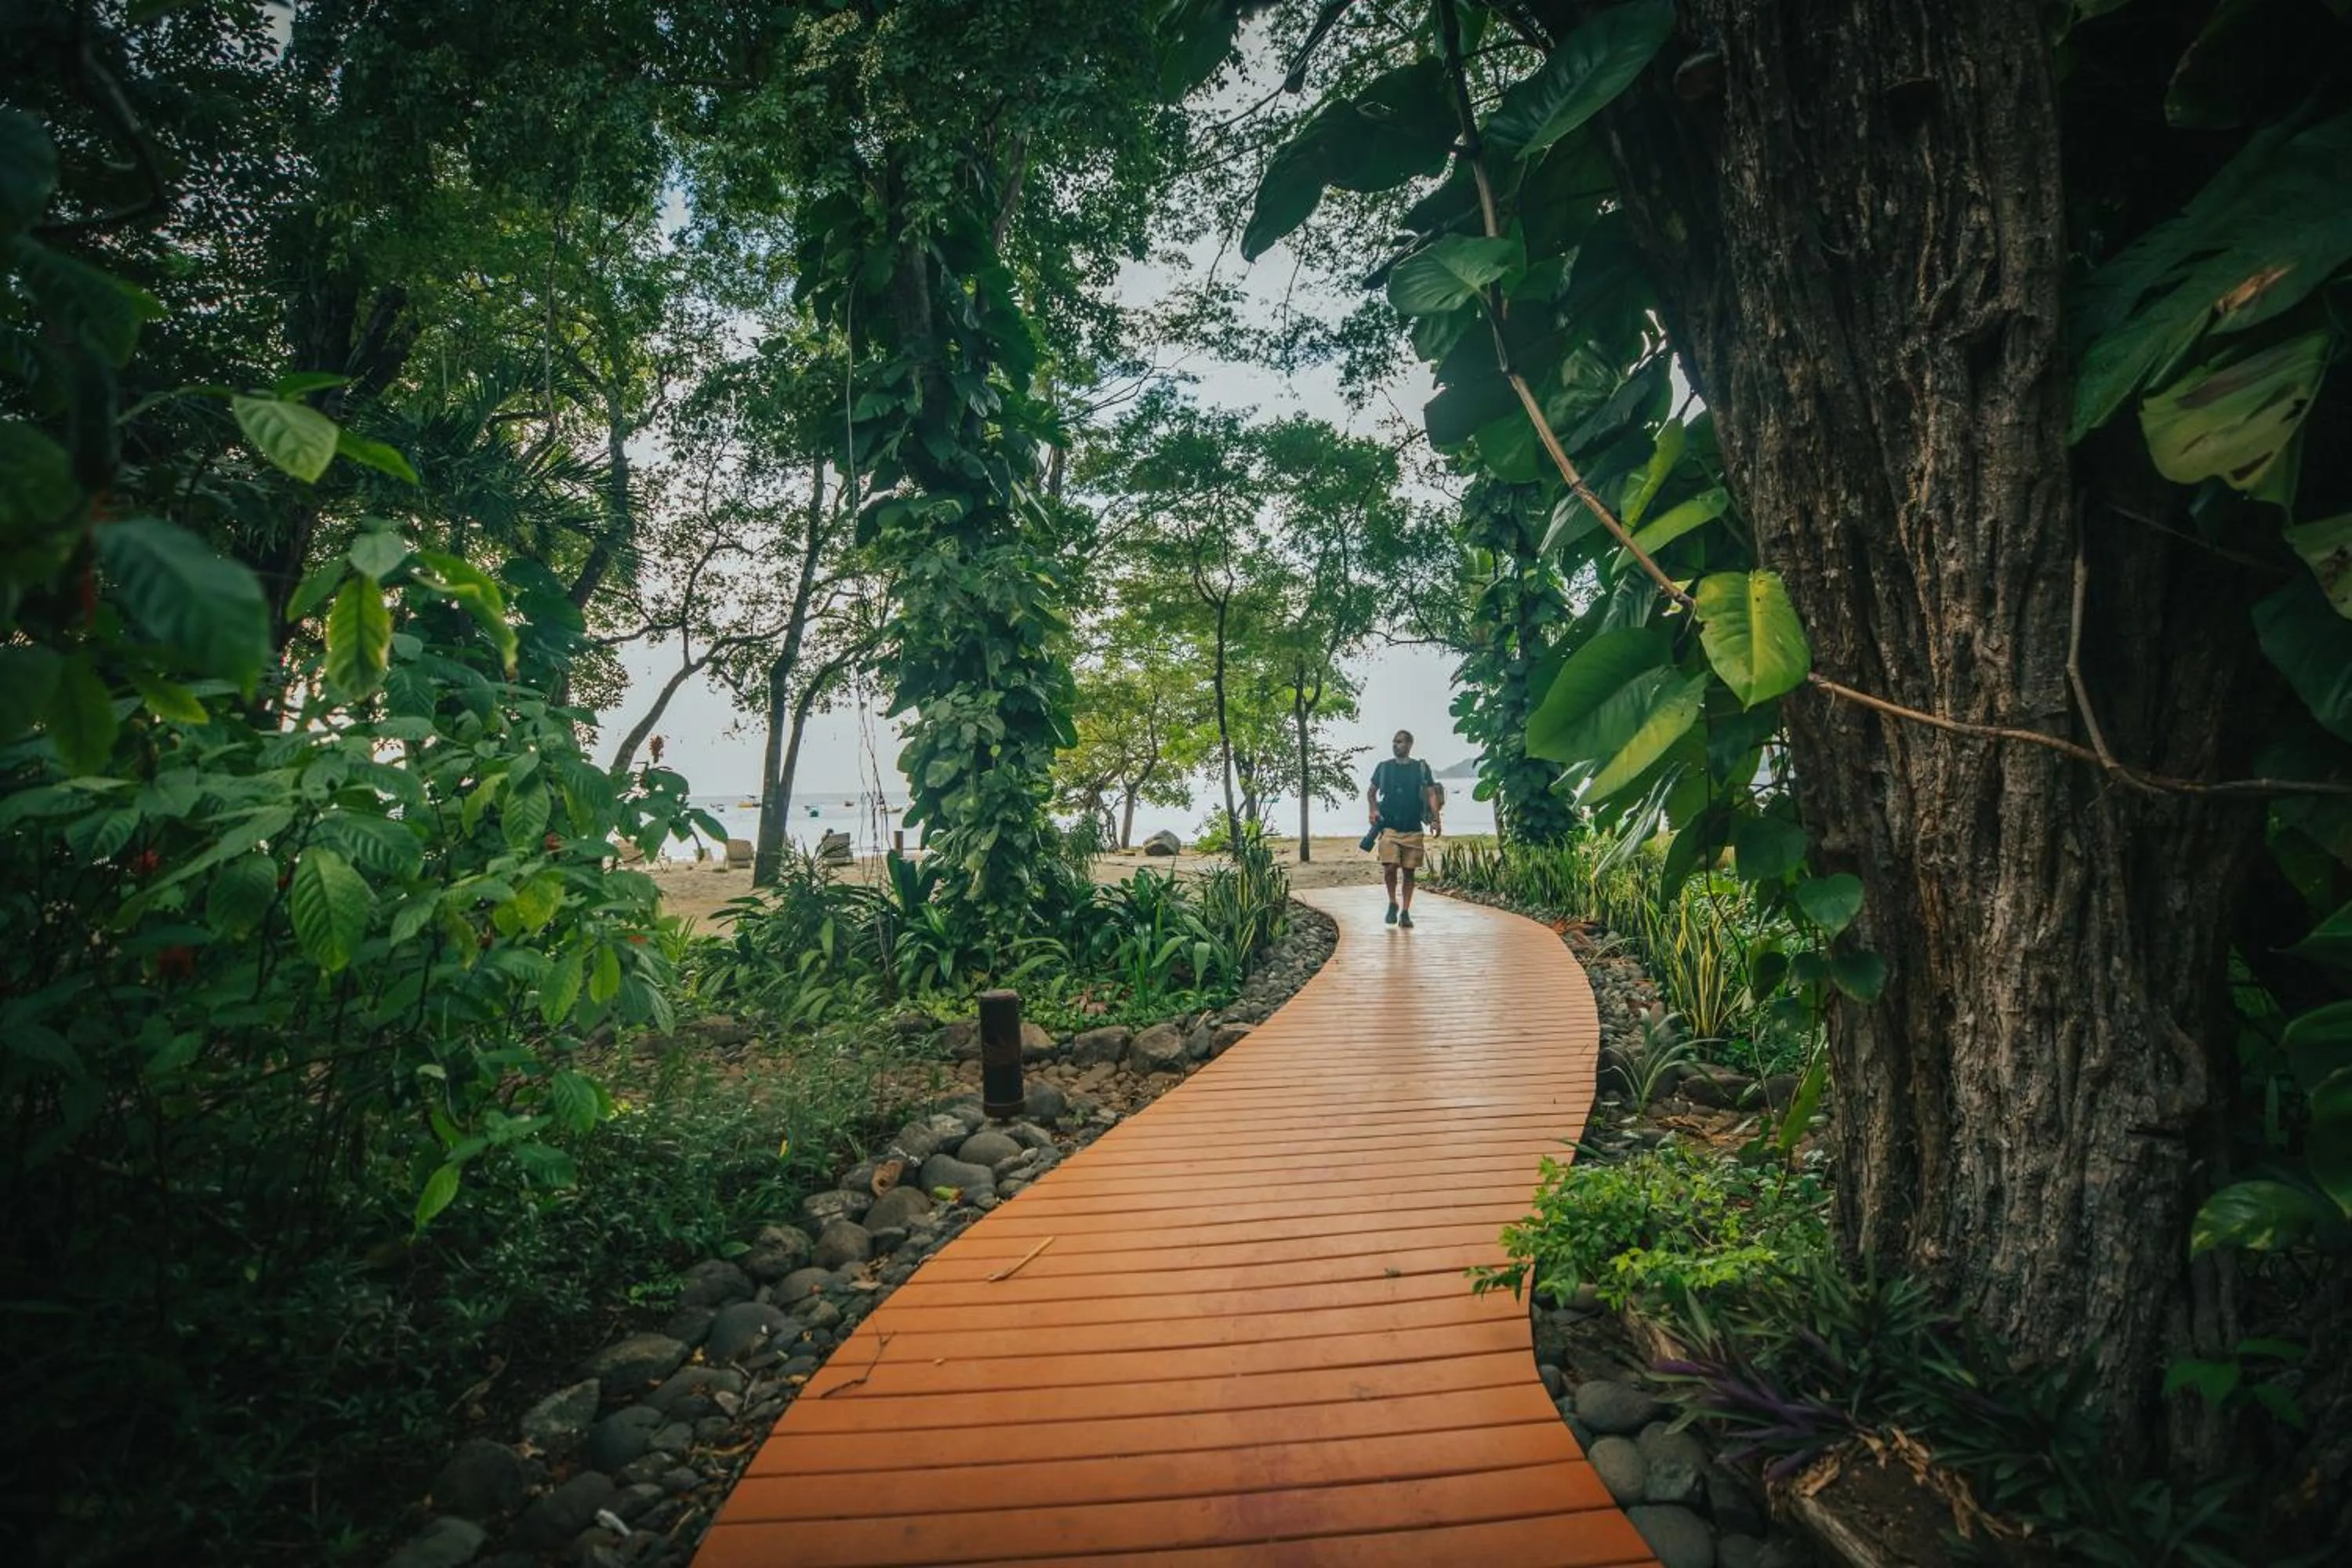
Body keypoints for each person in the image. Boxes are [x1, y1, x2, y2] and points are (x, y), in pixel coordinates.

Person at [1366, 729, 1442, 928]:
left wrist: (1436, 819)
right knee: (1390, 867)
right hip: (1389, 826)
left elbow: (1432, 794)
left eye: (1399, 742)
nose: (1395, 744)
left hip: (1413, 827)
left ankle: (1405, 912)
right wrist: (1373, 810)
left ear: (1409, 745)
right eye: (1394, 741)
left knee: (1409, 872)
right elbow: (1371, 792)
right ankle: (1392, 902)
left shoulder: (1420, 768)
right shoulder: (1383, 768)